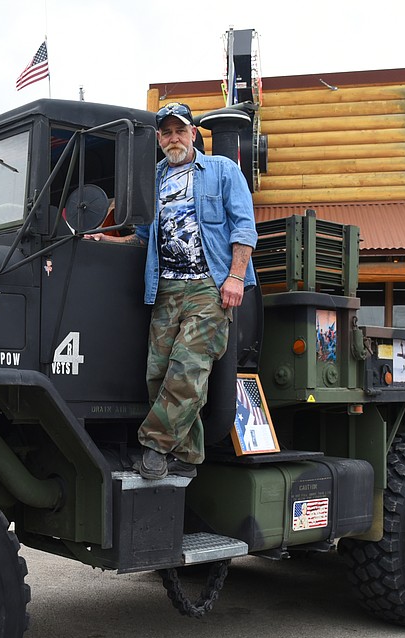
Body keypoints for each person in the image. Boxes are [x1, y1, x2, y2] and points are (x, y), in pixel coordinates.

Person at [88, 102, 257, 479]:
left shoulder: (222, 170)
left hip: (208, 286)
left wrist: (234, 277)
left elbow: (244, 228)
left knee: (188, 367)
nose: (173, 138)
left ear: (193, 133)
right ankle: (188, 456)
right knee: (158, 372)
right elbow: (144, 237)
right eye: (166, 132)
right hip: (165, 287)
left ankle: (153, 446)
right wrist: (106, 240)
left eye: (180, 130)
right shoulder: (154, 178)